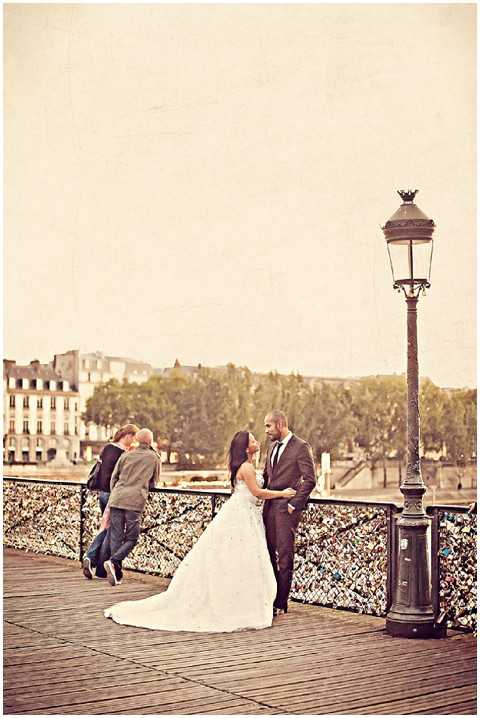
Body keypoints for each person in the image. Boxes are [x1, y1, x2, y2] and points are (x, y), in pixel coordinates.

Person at [104, 430, 296, 632]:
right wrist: (282, 494)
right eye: (253, 440)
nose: (257, 441)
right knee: (241, 558)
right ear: (247, 447)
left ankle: (113, 562)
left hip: (243, 512)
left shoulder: (245, 466)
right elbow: (257, 493)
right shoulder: (247, 467)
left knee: (234, 558)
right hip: (243, 514)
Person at [263, 410, 316, 615]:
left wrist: (294, 504)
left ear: (281, 423)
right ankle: (271, 595)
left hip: (286, 510)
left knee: (285, 556)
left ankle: (281, 603)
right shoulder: (271, 447)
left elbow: (310, 479)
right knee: (266, 553)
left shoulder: (301, 447)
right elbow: (268, 477)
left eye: (269, 425)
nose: (266, 430)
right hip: (268, 509)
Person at [104, 428, 161, 586]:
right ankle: (114, 561)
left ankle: (117, 574)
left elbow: (114, 478)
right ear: (150, 441)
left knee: (116, 536)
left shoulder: (126, 454)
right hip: (134, 501)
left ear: (137, 439)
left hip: (116, 498)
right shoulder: (154, 457)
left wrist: (116, 492)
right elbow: (154, 481)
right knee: (132, 538)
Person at [82, 423, 139, 580]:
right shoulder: (124, 453)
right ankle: (91, 557)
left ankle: (99, 568)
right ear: (127, 436)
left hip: (102, 494)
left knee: (107, 528)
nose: (134, 441)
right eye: (134, 438)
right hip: (114, 496)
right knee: (110, 530)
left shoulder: (107, 448)